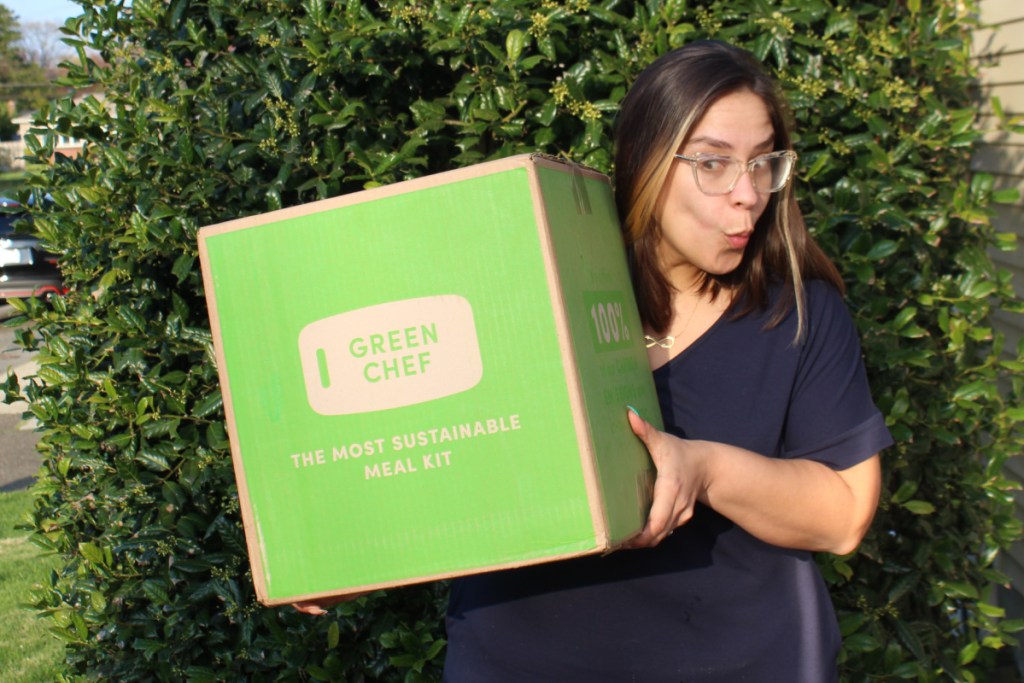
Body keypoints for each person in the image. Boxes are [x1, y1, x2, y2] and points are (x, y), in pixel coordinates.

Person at [441, 40, 893, 682]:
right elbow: (439, 458)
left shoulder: (797, 314)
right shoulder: (532, 285)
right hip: (519, 660)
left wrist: (706, 469)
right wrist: (335, 559)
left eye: (764, 162)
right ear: (646, 160)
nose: (748, 194)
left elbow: (845, 515)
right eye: (713, 163)